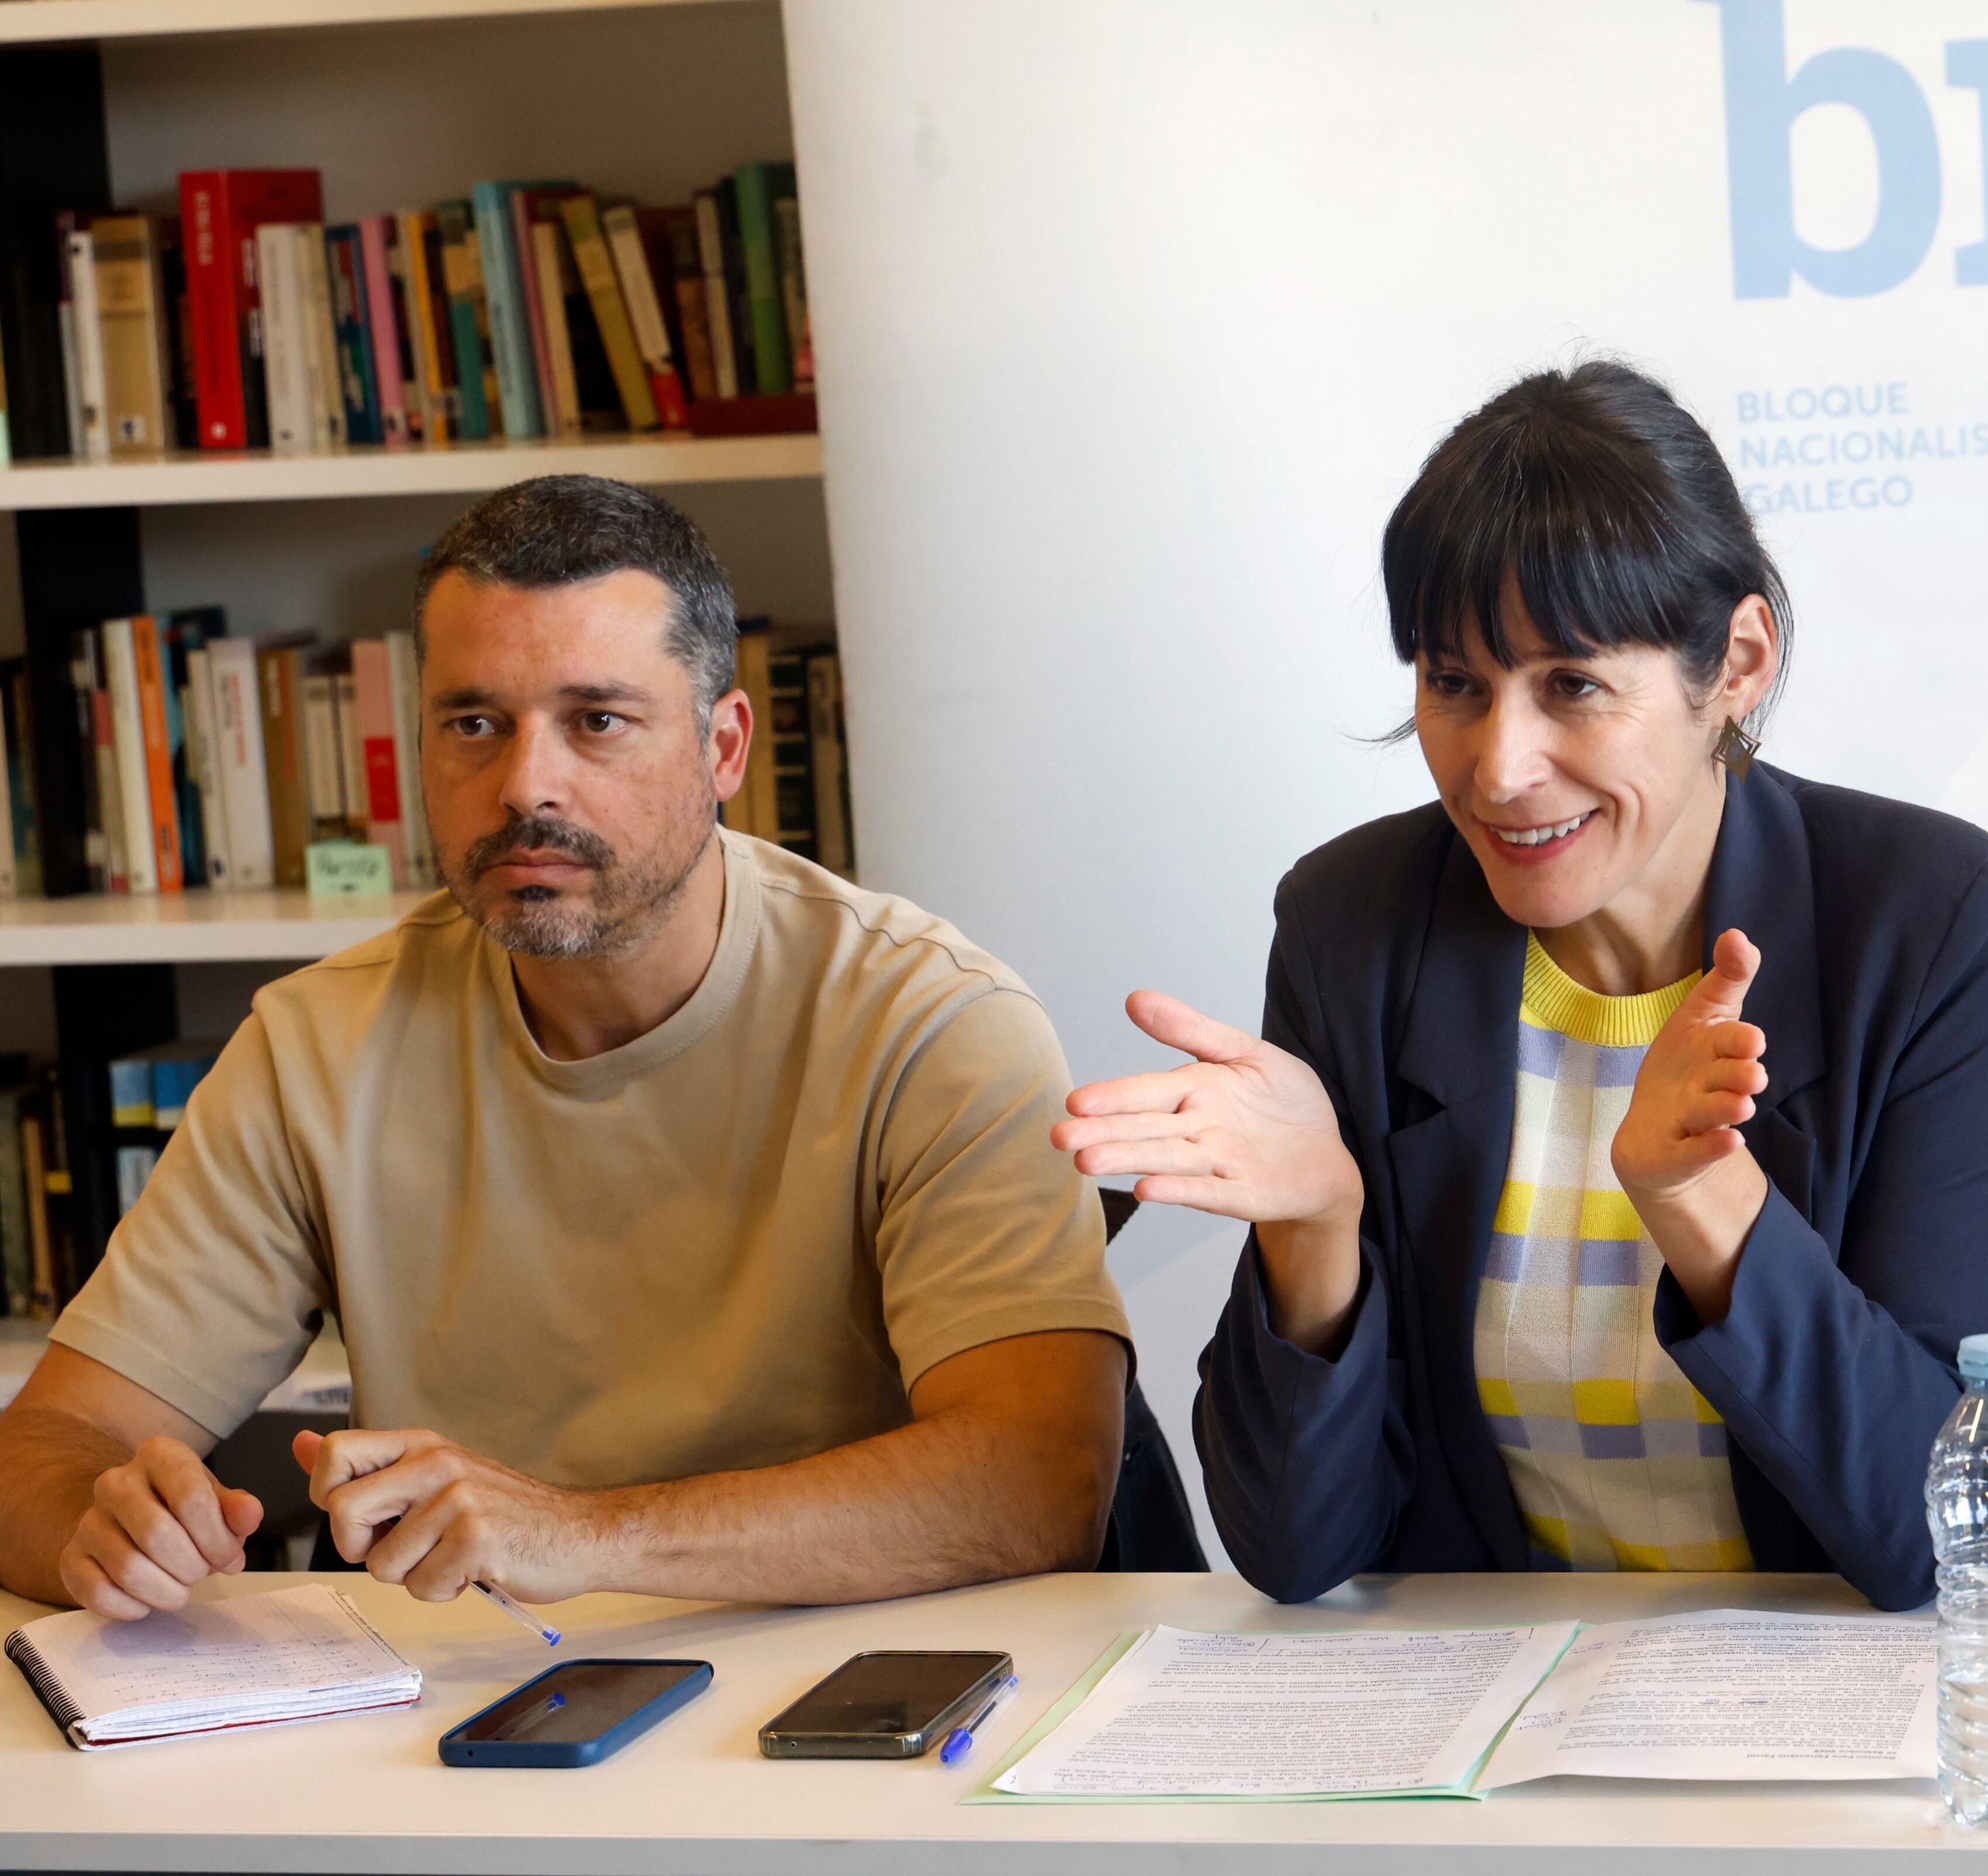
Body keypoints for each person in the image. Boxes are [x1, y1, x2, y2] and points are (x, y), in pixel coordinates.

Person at [0, 475, 1137, 1618]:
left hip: (859, 1683)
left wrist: (582, 1534)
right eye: (473, 725)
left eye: (597, 721)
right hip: (482, 1689)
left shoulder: (928, 1022)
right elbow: (45, 1445)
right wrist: (102, 1530)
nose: (524, 787)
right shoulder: (315, 1049)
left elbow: (1041, 1478)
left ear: (724, 747)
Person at [1054, 361, 1988, 1611]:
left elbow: (1944, 1535)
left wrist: (1703, 1202)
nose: (1498, 768)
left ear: (1737, 664)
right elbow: (1297, 1552)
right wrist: (1315, 1233)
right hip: (1494, 1698)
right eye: (1454, 684)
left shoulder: (1928, 918)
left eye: (1571, 685)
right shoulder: (1352, 929)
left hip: (1831, 1690)